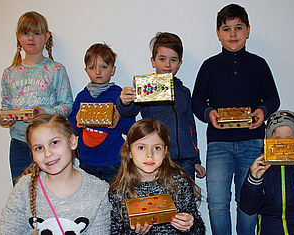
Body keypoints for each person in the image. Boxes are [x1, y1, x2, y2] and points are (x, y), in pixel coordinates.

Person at [191, 4, 280, 235]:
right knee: (217, 202)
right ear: (218, 33)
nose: (233, 34)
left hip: (253, 143)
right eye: (226, 28)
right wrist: (209, 113)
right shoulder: (209, 66)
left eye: (238, 28)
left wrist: (262, 110)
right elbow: (197, 101)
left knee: (249, 200)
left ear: (248, 30)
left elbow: (273, 98)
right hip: (219, 144)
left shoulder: (259, 64)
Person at [0, 114, 110, 234]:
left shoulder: (98, 190)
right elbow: (7, 231)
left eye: (54, 142)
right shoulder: (24, 187)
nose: (48, 153)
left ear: (72, 142)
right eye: (39, 148)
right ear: (32, 154)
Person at [0, 11, 73, 185]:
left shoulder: (56, 70)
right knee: (21, 192)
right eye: (25, 33)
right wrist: (3, 118)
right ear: (18, 37)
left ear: (46, 37)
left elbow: (67, 105)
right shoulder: (9, 73)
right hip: (19, 143)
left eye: (36, 33)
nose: (31, 38)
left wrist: (44, 113)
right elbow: (6, 106)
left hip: (49, 143)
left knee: (51, 191)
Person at [117, 32, 205, 180]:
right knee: (161, 201)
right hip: (157, 159)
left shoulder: (184, 92)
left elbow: (190, 125)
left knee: (186, 201)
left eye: (173, 60)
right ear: (153, 61)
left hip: (185, 160)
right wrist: (124, 102)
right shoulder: (145, 88)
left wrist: (195, 159)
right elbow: (129, 112)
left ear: (180, 63)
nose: (167, 64)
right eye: (162, 59)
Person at [108, 118, 205, 234]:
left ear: (165, 151)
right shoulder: (119, 191)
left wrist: (190, 224)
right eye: (141, 147)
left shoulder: (179, 183)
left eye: (157, 148)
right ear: (129, 152)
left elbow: (199, 229)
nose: (150, 154)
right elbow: (115, 231)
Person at [240, 110, 294, 235]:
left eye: (289, 138)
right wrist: (254, 180)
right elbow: (248, 208)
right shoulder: (260, 167)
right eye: (277, 138)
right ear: (269, 139)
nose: (283, 143)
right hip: (270, 228)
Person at [68, 43, 135, 183]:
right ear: (86, 70)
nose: (98, 72)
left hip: (114, 161)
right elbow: (71, 131)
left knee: (116, 200)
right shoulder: (82, 97)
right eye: (92, 67)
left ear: (113, 70)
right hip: (87, 161)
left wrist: (119, 117)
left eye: (103, 67)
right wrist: (77, 122)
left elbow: (130, 128)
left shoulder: (119, 95)